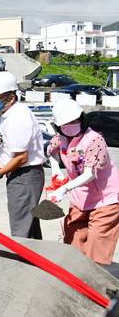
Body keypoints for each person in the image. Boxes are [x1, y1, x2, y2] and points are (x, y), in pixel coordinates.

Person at [46, 98, 119, 265]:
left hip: (105, 198)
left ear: (82, 119)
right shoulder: (60, 138)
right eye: (65, 124)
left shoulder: (94, 140)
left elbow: (89, 174)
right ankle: (76, 275)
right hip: (80, 197)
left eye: (74, 121)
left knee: (97, 241)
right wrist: (56, 170)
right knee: (73, 237)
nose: (70, 125)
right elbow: (51, 152)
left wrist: (64, 189)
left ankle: (95, 283)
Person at [0, 71, 45, 239]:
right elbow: (7, 149)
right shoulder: (8, 114)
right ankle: (36, 260)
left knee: (20, 227)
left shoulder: (18, 117)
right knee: (28, 223)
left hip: (25, 175)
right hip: (19, 174)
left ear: (11, 97)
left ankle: (22, 261)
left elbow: (20, 157)